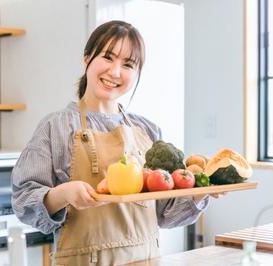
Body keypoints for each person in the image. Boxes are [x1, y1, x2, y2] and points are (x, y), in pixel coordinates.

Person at [12, 20, 216, 266]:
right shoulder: (55, 127)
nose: (115, 72)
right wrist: (63, 193)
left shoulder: (148, 130)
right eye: (108, 57)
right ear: (87, 58)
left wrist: (202, 192)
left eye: (128, 64)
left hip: (146, 260)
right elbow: (24, 201)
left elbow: (166, 213)